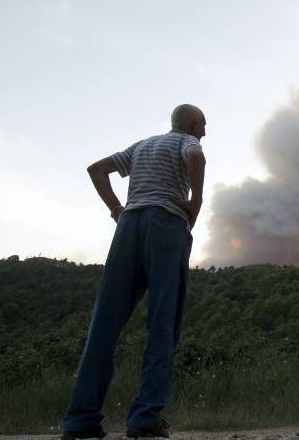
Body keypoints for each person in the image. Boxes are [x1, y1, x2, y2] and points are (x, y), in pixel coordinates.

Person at [61, 104, 207, 439]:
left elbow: (96, 169)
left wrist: (116, 208)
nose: (204, 130)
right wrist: (195, 201)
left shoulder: (142, 145)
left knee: (104, 323)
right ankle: (144, 418)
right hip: (166, 225)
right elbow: (197, 157)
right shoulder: (186, 142)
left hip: (129, 226)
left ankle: (80, 421)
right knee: (162, 322)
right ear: (191, 123)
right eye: (203, 123)